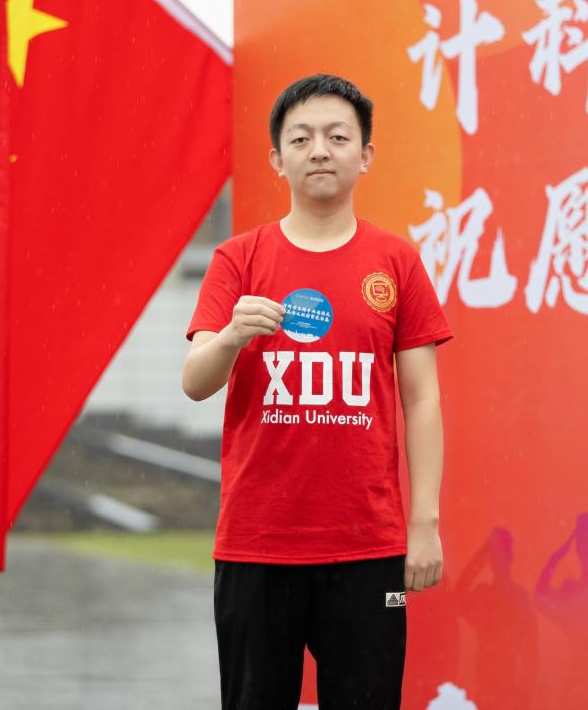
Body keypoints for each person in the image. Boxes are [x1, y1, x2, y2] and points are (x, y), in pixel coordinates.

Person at [182, 73, 453, 708]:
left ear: (366, 154)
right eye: (301, 139)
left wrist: (424, 524)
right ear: (278, 159)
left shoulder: (396, 262)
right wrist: (230, 337)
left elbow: (422, 399)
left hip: (367, 545)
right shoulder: (238, 260)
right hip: (257, 544)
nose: (320, 151)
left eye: (337, 136)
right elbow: (195, 382)